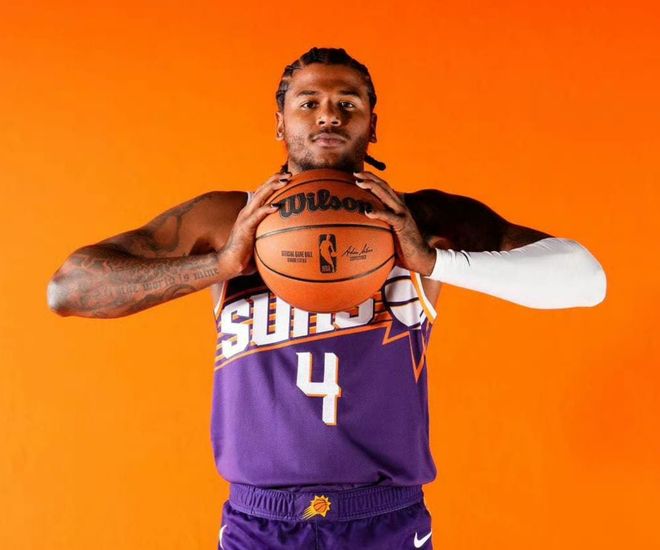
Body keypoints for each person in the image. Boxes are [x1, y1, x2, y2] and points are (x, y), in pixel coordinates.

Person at [47, 47, 607, 549]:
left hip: (385, 517)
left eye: (348, 103)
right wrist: (219, 265)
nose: (328, 116)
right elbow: (68, 289)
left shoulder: (424, 217)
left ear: (372, 124)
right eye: (309, 102)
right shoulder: (226, 218)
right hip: (260, 521)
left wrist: (433, 262)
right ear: (280, 121)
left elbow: (587, 280)